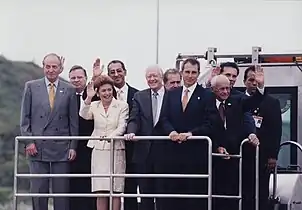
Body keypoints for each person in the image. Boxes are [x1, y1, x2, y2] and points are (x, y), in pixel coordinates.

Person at [20, 53, 78, 210]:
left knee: (61, 193)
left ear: (60, 68)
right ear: (43, 66)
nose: (51, 70)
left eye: (54, 67)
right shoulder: (31, 86)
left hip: (62, 148)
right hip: (37, 147)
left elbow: (73, 122)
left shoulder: (69, 89)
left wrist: (73, 146)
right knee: (39, 192)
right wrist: (29, 141)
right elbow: (25, 119)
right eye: (48, 66)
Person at [160, 58, 214, 210]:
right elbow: (164, 118)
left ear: (198, 74)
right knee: (173, 197)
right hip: (172, 154)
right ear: (182, 72)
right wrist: (171, 131)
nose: (190, 76)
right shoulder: (171, 94)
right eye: (187, 72)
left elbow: (209, 123)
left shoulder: (206, 95)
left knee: (194, 198)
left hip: (195, 155)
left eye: (194, 72)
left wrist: (190, 133)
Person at [209, 73, 265, 210]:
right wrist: (216, 147)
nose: (226, 92)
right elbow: (205, 128)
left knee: (232, 197)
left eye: (228, 88)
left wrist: (261, 87)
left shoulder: (236, 102)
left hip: (233, 158)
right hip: (212, 159)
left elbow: (253, 102)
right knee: (214, 198)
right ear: (213, 89)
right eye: (222, 89)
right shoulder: (206, 103)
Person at [80, 75, 129, 210]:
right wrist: (88, 98)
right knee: (100, 189)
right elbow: (84, 115)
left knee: (116, 189)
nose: (107, 93)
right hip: (98, 150)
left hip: (116, 149)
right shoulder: (94, 105)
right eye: (103, 91)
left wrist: (110, 137)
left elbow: (122, 126)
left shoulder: (122, 106)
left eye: (109, 90)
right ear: (98, 92)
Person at [125, 65, 166, 210]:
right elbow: (134, 118)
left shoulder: (171, 95)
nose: (152, 79)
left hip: (166, 153)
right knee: (145, 194)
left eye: (155, 76)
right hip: (144, 153)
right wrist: (131, 132)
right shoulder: (139, 96)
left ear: (162, 77)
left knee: (164, 194)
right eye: (149, 76)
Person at [242, 66, 282, 210]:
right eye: (250, 80)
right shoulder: (236, 99)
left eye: (256, 80)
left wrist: (273, 155)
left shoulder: (272, 102)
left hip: (262, 155)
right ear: (244, 81)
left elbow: (276, 129)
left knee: (260, 193)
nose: (254, 83)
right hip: (241, 154)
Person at [107, 60, 139, 210]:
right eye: (112, 72)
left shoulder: (137, 95)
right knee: (107, 188)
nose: (116, 74)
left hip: (131, 148)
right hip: (109, 149)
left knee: (130, 188)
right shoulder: (104, 94)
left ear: (125, 72)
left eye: (119, 71)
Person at [68, 65, 96, 210]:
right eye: (73, 78)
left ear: (85, 78)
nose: (76, 80)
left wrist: (96, 77)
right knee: (71, 186)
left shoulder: (94, 94)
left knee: (89, 185)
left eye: (79, 77)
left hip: (90, 147)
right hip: (70, 147)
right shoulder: (65, 95)